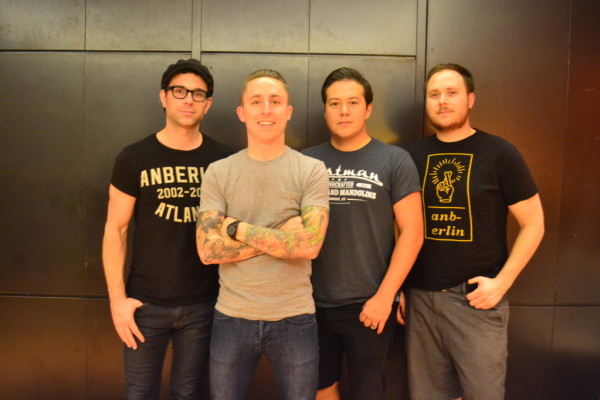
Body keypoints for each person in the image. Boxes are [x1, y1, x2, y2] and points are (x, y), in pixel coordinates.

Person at [403, 63, 545, 400]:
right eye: (434, 94)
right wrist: (400, 288)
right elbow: (400, 228)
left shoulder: (499, 153)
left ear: (470, 99)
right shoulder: (411, 156)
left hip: (475, 303)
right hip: (420, 301)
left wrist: (503, 282)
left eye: (451, 93)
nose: (442, 100)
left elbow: (534, 224)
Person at [102, 58, 233, 400]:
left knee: (188, 393)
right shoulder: (134, 157)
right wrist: (118, 302)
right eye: (179, 91)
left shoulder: (224, 160)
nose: (188, 99)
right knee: (139, 393)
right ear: (163, 97)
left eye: (198, 93)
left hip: (204, 304)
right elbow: (115, 230)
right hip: (144, 304)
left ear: (208, 103)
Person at [195, 69, 330, 400]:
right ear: (242, 112)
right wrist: (282, 236)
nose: (266, 109)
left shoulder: (311, 170)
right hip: (232, 316)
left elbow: (311, 246)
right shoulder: (219, 172)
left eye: (275, 101)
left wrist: (236, 228)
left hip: (295, 317)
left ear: (288, 111)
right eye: (256, 102)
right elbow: (207, 251)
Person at [302, 67, 424, 400]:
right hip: (311, 303)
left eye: (353, 102)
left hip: (370, 304)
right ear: (325, 110)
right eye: (334, 103)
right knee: (321, 387)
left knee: (369, 391)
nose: (344, 110)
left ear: (368, 109)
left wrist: (386, 296)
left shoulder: (394, 160)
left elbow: (413, 233)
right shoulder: (305, 161)